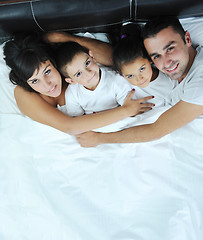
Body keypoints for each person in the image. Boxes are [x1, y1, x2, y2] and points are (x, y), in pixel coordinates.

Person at [72, 16, 203, 147]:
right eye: (156, 56)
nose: (166, 63)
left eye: (170, 49)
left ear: (187, 39)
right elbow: (122, 60)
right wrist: (67, 38)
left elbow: (156, 130)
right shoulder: (171, 67)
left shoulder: (199, 82)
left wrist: (100, 139)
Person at [3, 32, 154, 135]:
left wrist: (65, 38)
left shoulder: (73, 70)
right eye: (35, 81)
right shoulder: (23, 94)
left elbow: (114, 59)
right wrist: (125, 111)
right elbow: (70, 126)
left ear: (54, 63)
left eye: (47, 71)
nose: (48, 85)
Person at [55, 41, 137, 117]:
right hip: (93, 125)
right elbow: (77, 121)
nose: (88, 73)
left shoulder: (115, 78)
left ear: (92, 56)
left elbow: (130, 109)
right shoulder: (72, 93)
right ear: (72, 81)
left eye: (87, 63)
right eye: (79, 74)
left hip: (119, 118)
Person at [113, 24, 174, 108]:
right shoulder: (121, 84)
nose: (139, 79)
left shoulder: (168, 82)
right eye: (130, 76)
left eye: (142, 69)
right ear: (121, 74)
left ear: (150, 60)